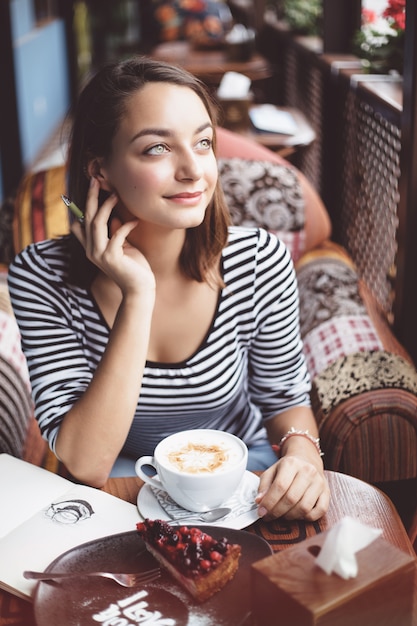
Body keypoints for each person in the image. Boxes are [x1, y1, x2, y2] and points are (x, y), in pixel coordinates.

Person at [8, 56, 329, 521]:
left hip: (242, 483)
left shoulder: (259, 260)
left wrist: (303, 458)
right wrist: (137, 296)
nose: (193, 170)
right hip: (120, 489)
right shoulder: (41, 276)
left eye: (203, 143)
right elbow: (86, 461)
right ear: (99, 170)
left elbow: (285, 401)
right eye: (158, 148)